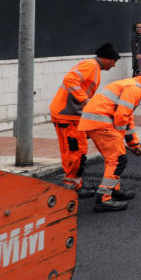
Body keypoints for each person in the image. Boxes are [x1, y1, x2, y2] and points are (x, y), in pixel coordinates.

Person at [78, 68, 141, 212]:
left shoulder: (132, 85)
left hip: (97, 122)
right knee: (118, 160)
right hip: (101, 122)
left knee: (113, 159)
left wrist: (133, 143)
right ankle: (103, 198)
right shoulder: (134, 89)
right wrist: (119, 136)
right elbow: (121, 116)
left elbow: (128, 119)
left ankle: (113, 190)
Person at [48, 43, 120, 197]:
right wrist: (84, 101)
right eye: (114, 61)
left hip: (70, 115)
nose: (114, 65)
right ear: (106, 58)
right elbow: (70, 80)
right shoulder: (91, 65)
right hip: (67, 116)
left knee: (74, 152)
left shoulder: (94, 67)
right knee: (76, 152)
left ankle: (73, 184)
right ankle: (72, 187)